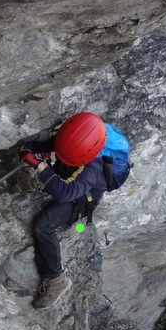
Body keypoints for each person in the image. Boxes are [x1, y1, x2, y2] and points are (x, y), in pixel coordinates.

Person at [18, 112, 108, 310]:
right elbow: (45, 146)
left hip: (81, 199)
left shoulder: (93, 168)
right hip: (70, 182)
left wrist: (39, 165)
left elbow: (65, 194)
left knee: (43, 224)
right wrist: (28, 150)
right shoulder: (73, 138)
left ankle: (56, 280)